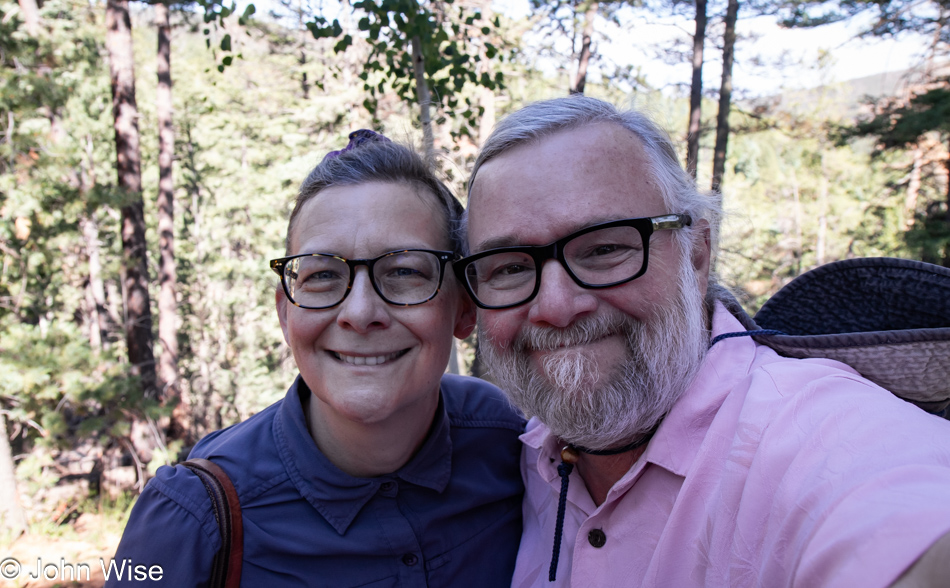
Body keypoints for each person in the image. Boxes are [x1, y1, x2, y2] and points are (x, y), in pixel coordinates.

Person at [455, 96, 950, 587]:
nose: (557, 308)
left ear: (697, 254)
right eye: (511, 268)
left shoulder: (819, 435)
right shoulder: (525, 455)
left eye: (605, 248)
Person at [108, 131, 525, 587]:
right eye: (323, 275)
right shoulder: (192, 516)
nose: (361, 313)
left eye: (405, 271)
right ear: (286, 314)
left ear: (463, 309)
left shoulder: (512, 444)